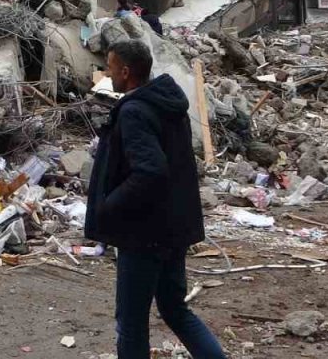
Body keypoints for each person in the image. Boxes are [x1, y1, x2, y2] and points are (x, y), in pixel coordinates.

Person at [86, 41, 226, 359]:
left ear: (125, 71)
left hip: (144, 234)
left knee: (131, 323)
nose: (107, 74)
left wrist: (110, 205)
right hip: (173, 227)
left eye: (110, 67)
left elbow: (151, 171)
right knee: (175, 309)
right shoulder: (166, 103)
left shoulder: (135, 111)